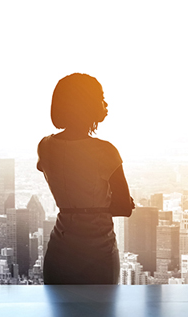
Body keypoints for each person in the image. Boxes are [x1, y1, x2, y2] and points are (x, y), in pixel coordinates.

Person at [37, 73, 134, 284]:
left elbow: (47, 168)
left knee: (61, 314)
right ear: (86, 103)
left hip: (59, 249)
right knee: (101, 314)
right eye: (101, 97)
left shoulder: (45, 146)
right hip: (98, 251)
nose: (106, 103)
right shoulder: (105, 152)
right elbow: (124, 207)